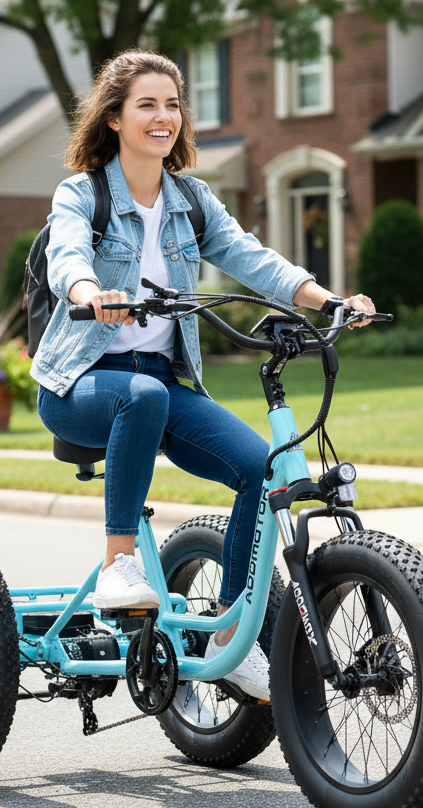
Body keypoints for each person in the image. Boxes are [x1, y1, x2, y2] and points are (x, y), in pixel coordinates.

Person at [31, 50, 373, 701]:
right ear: (113, 117)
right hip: (79, 385)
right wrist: (87, 288)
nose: (164, 117)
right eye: (147, 105)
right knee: (143, 395)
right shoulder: (85, 192)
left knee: (261, 466)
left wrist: (326, 300)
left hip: (158, 386)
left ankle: (230, 639)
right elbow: (67, 250)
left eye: (172, 104)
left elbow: (251, 256)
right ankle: (118, 562)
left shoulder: (190, 198)